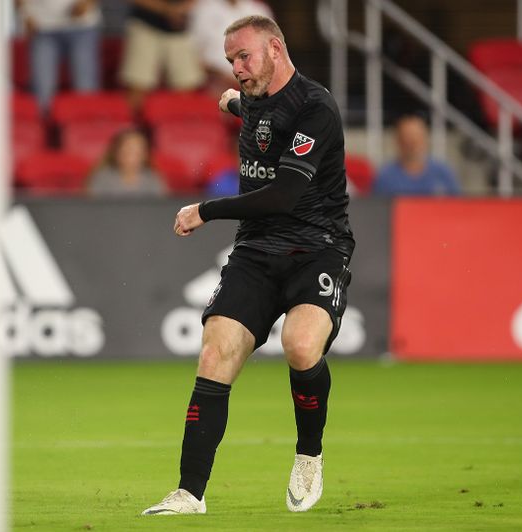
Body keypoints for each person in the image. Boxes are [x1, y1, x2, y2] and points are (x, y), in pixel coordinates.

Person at [142, 15, 354, 515]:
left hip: (316, 247)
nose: (236, 68)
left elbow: (282, 195)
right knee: (215, 355)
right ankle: (189, 493)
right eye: (231, 60)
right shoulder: (254, 98)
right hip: (257, 250)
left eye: (245, 57)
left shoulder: (317, 107)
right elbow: (259, 113)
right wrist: (237, 105)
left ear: (276, 49)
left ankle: (309, 454)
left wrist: (204, 210)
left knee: (300, 346)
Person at [17, 0, 103, 113]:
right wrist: (25, 14)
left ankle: (88, 127)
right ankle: (44, 125)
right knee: (42, 90)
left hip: (82, 25)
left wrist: (88, 2)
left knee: (86, 88)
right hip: (42, 26)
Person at [119, 0, 205, 110]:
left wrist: (183, 8)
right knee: (138, 84)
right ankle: (134, 125)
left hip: (179, 29)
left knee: (186, 86)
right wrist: (167, 10)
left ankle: (179, 124)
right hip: (145, 24)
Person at [189, 0, 273, 96]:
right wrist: (219, 75)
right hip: (212, 86)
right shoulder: (203, 9)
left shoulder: (259, 10)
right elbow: (193, 52)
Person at [372, 113, 461, 196]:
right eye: (407, 138)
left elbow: (458, 206)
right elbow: (377, 209)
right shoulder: (386, 177)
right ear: (398, 140)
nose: (413, 143)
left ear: (425, 138)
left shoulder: (443, 172)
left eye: (417, 137)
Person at [89, 128, 167, 196]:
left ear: (145, 155)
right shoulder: (102, 178)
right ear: (116, 152)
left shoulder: (153, 179)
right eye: (128, 150)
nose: (132, 157)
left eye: (138, 152)